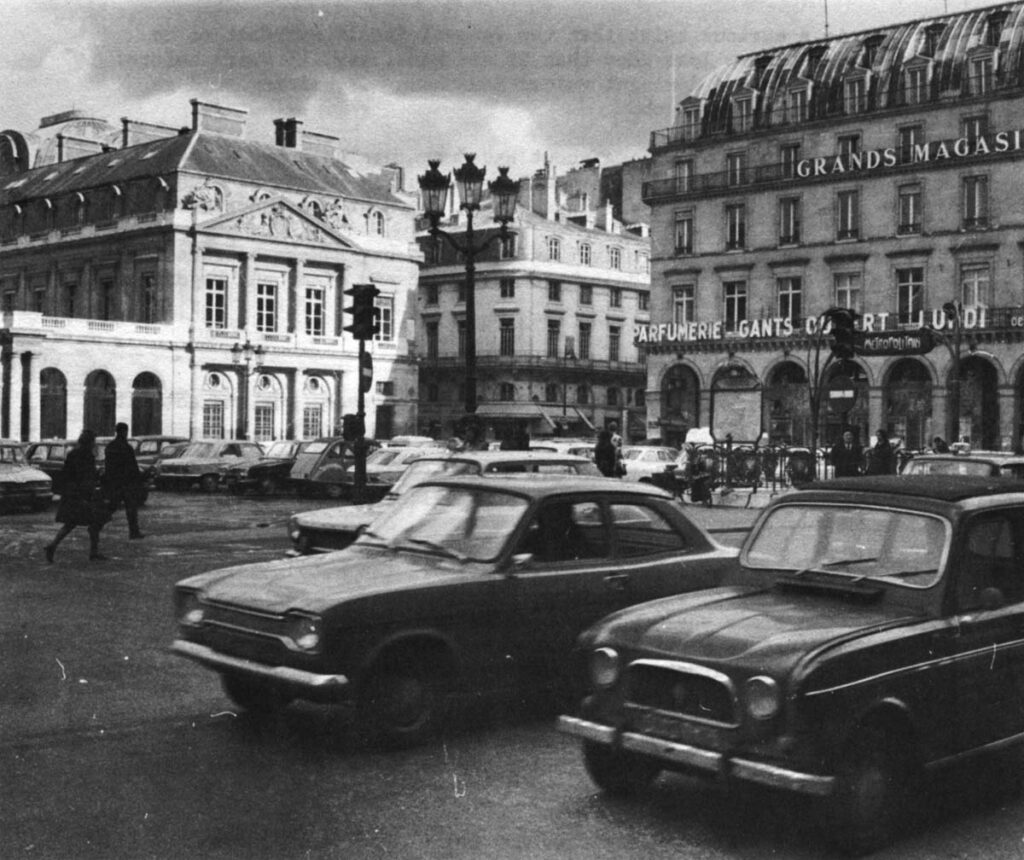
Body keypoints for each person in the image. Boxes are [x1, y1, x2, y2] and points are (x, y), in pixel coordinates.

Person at [44, 429, 111, 562]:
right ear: (89, 442)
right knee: (97, 520)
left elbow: (68, 474)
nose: (94, 444)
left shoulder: (73, 454)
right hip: (83, 495)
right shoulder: (87, 456)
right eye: (93, 441)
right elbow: (87, 476)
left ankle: (53, 546)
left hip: (73, 494)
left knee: (71, 523)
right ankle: (93, 552)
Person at [103, 422, 145, 539]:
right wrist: (137, 481)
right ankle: (134, 532)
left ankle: (97, 525)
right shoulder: (126, 447)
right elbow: (132, 466)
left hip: (115, 483)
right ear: (123, 431)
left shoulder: (111, 446)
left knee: (112, 507)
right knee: (131, 508)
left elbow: (108, 466)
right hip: (126, 483)